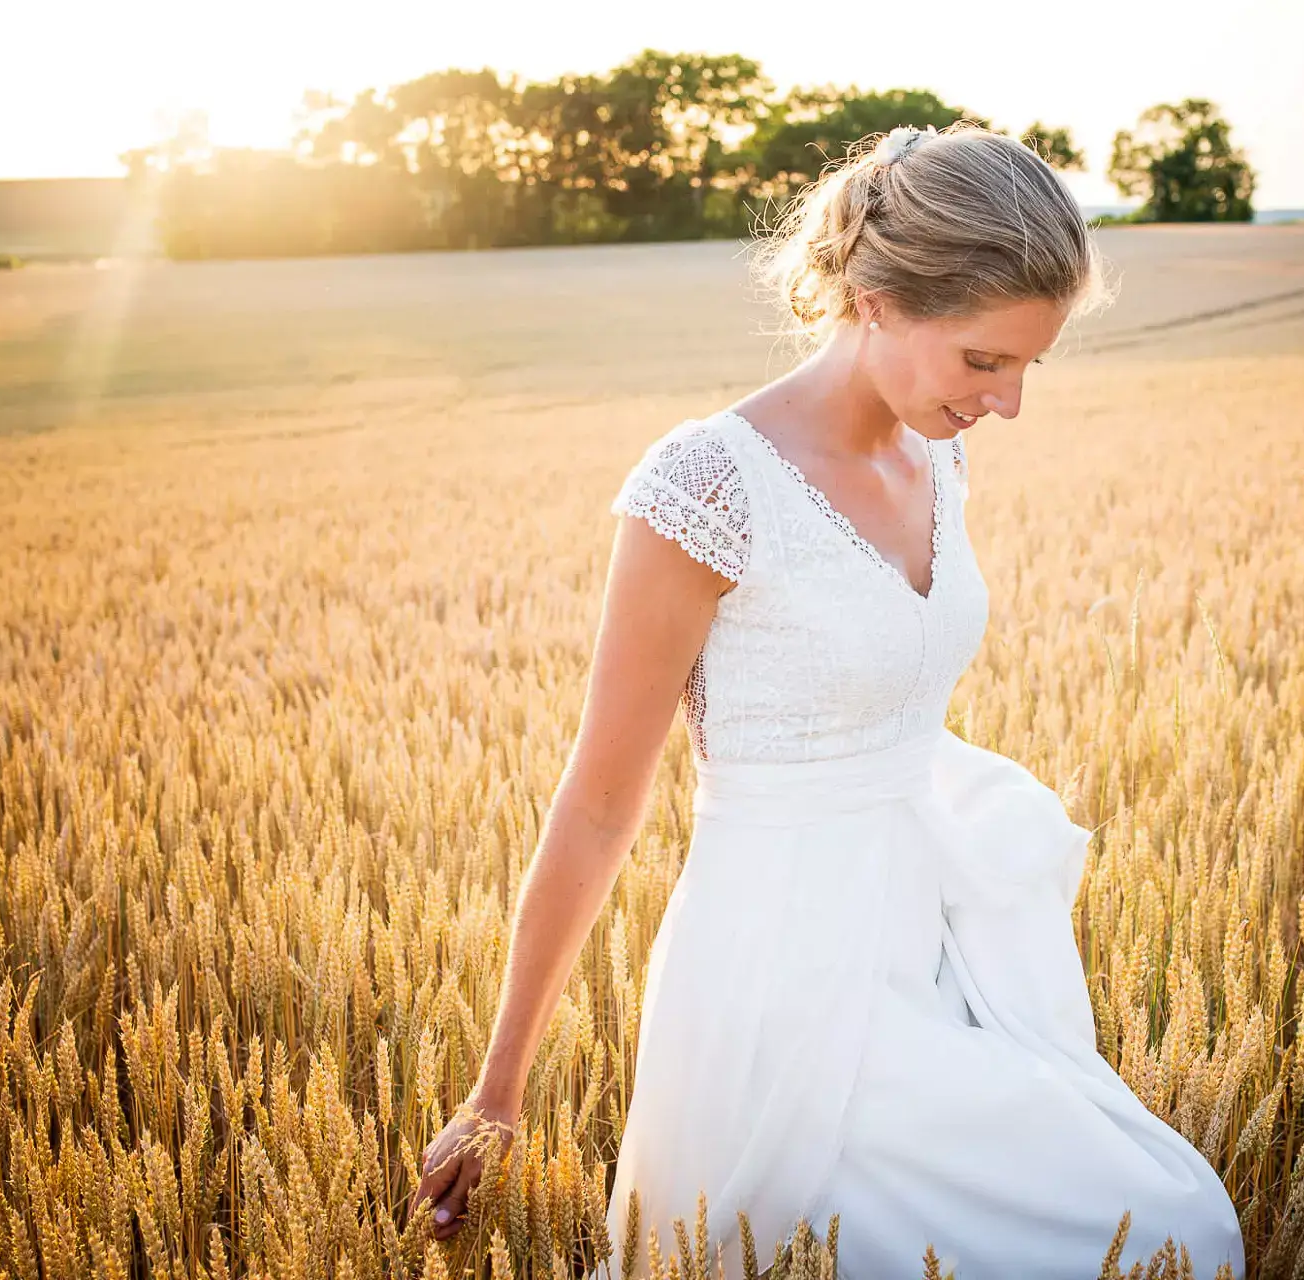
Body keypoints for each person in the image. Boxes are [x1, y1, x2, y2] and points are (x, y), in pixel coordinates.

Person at [412, 121, 1248, 1279]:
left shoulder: (939, 452)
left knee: (1177, 1229)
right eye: (984, 361)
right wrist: (497, 1091)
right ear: (874, 298)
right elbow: (601, 805)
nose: (1008, 403)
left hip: (943, 939)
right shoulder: (708, 485)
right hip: (782, 980)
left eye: (1027, 366)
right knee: (1140, 1239)